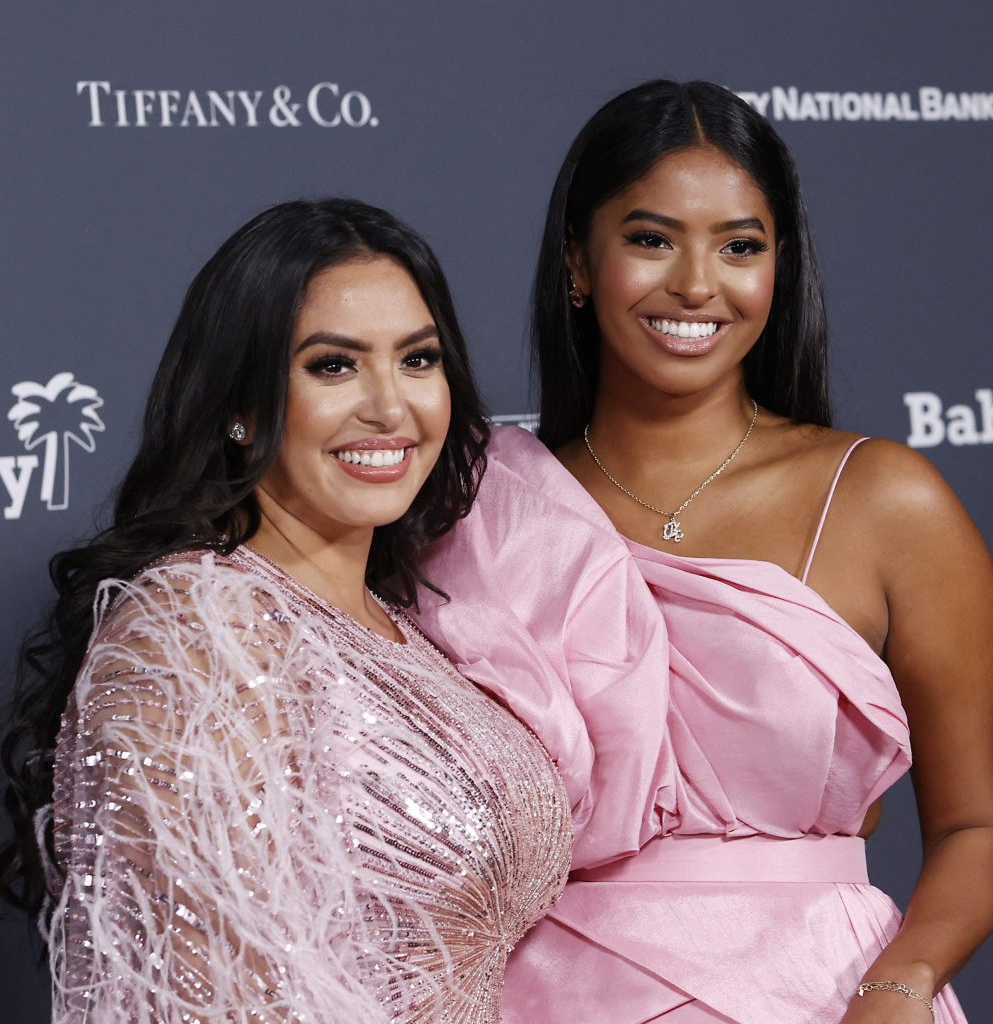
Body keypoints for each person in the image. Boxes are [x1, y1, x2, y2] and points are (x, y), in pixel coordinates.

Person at [412, 81, 993, 1023]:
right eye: (652, 240)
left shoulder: (884, 499)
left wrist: (902, 983)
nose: (695, 284)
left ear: (779, 268)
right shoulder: (477, 514)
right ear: (578, 261)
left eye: (740, 246)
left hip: (827, 1003)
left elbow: (978, 823)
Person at [0, 198, 572, 1023]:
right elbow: (209, 997)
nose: (390, 406)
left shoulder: (404, 626)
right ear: (242, 405)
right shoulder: (199, 632)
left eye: (418, 359)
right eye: (334, 366)